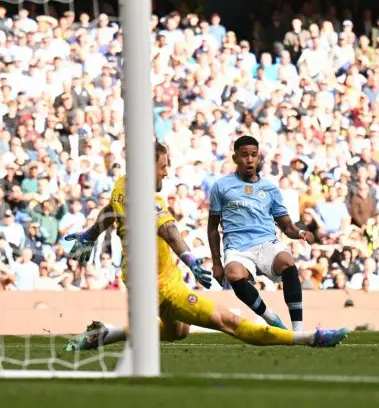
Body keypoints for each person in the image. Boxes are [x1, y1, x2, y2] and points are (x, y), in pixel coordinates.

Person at [64, 142, 348, 351]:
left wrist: (89, 235)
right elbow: (170, 231)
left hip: (151, 279)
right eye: (163, 167)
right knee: (229, 322)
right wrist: (190, 260)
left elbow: (109, 211)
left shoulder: (122, 185)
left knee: (177, 332)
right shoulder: (153, 202)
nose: (166, 173)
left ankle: (105, 335)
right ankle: (309, 338)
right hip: (162, 287)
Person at [208, 136, 314, 332]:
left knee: (287, 261)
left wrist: (300, 232)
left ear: (258, 158)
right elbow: (213, 227)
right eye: (244, 155)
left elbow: (286, 224)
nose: (249, 159)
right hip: (237, 248)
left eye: (254, 155)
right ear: (235, 158)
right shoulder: (221, 187)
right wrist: (216, 262)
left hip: (267, 244)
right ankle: (272, 320)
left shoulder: (270, 188)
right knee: (233, 273)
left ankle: (297, 331)